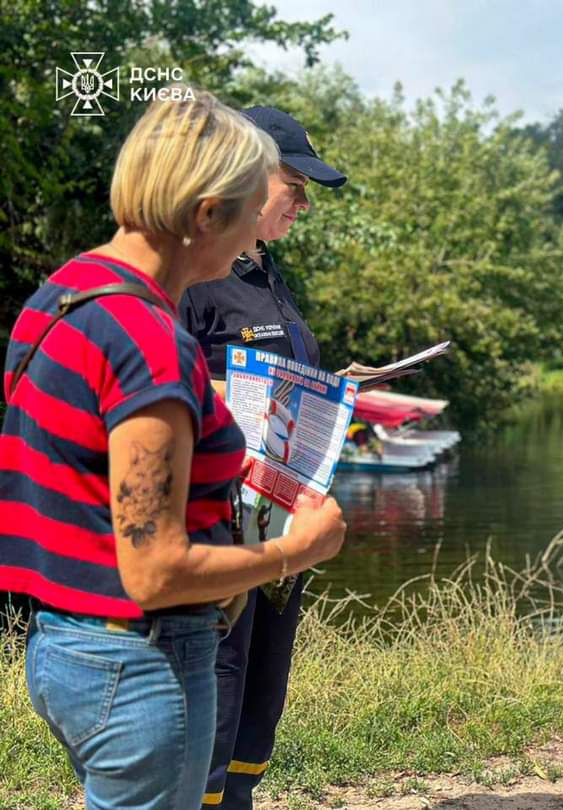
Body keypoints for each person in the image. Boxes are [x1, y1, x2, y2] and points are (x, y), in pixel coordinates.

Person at [0, 89, 346, 810]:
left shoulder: (63, 295)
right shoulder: (151, 343)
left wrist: (227, 463)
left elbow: (89, 469)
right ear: (205, 213)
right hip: (142, 665)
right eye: (252, 210)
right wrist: (296, 550)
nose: (258, 230)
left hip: (62, 646)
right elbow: (154, 572)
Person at [179, 106, 347, 810]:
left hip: (280, 508)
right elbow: (163, 387)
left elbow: (269, 366)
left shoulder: (264, 270)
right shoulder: (189, 272)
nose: (304, 202)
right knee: (217, 665)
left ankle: (240, 794)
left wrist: (334, 392)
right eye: (294, 185)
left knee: (264, 674)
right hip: (219, 514)